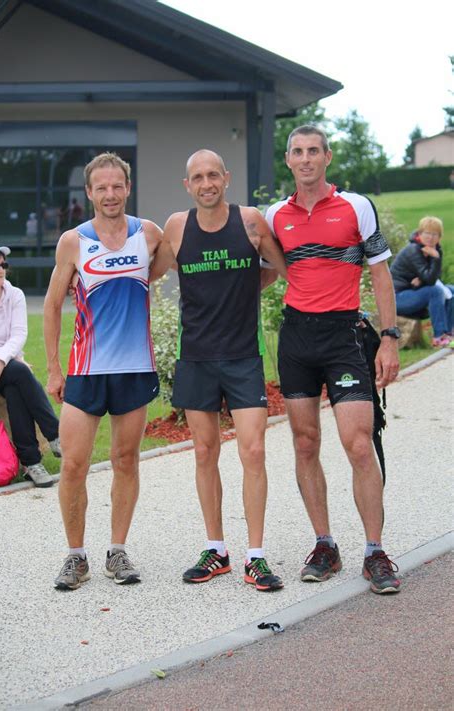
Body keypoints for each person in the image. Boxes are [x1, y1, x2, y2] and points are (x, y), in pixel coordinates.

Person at [265, 125, 401, 594]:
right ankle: (325, 544)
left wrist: (390, 338)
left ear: (327, 156)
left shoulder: (356, 206)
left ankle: (375, 551)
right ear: (288, 160)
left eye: (313, 152)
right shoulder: (275, 215)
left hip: (344, 335)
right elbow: (265, 274)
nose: (305, 159)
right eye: (297, 152)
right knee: (305, 444)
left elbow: (381, 276)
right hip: (297, 338)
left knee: (358, 444)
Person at [150, 149, 287, 592]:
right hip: (196, 356)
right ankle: (217, 550)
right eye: (198, 177)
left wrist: (250, 284)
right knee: (205, 453)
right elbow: (147, 275)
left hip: (243, 356)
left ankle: (256, 557)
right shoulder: (176, 226)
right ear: (187, 185)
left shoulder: (249, 222)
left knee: (253, 451)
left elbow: (280, 269)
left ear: (226, 178)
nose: (206, 183)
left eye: (213, 175)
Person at [44, 152, 162, 591]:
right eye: (101, 187)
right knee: (74, 464)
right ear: (89, 192)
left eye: (117, 186)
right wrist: (56, 369)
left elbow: (162, 272)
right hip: (87, 369)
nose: (110, 194)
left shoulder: (148, 235)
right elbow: (54, 305)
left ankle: (117, 550)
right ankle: (76, 557)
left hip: (134, 366)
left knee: (125, 460)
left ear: (127, 188)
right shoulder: (73, 241)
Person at [0, 244, 60, 488]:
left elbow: (19, 335)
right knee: (19, 371)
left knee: (16, 385)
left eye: (4, 265)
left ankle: (31, 462)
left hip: (7, 369)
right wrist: (7, 357)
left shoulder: (15, 295)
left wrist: (3, 359)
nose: (1, 270)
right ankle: (56, 436)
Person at [390, 216, 453, 347]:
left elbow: (433, 277)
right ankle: (439, 336)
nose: (430, 237)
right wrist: (435, 259)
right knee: (435, 291)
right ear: (420, 233)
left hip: (412, 293)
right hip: (397, 298)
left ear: (439, 237)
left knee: (451, 289)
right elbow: (431, 280)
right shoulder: (414, 250)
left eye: (434, 234)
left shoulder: (433, 249)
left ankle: (449, 333)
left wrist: (422, 280)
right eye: (427, 233)